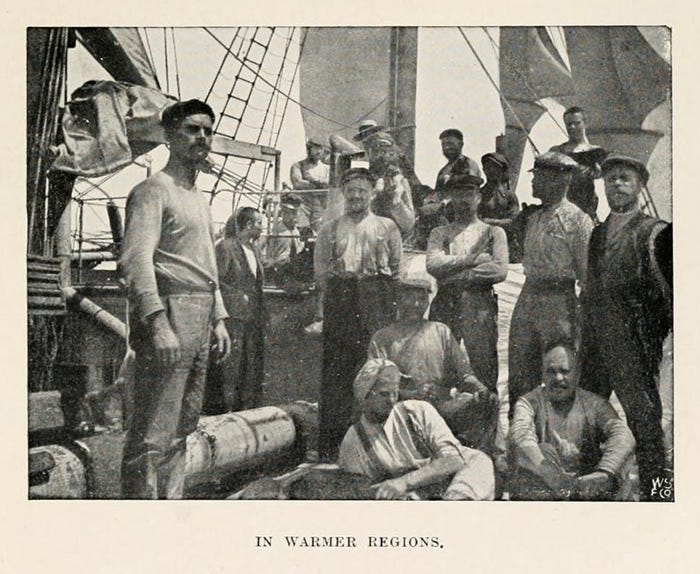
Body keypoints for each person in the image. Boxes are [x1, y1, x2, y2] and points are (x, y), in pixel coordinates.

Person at [120, 99, 231, 499]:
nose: (202, 137)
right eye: (191, 129)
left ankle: (170, 508)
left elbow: (205, 263)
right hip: (170, 311)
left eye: (206, 130)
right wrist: (157, 322)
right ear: (168, 136)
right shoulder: (152, 191)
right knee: (154, 429)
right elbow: (136, 262)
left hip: (201, 313)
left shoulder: (199, 198)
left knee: (183, 426)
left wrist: (218, 318)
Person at [579, 154, 672, 501]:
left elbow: (673, 299)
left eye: (624, 178)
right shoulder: (598, 233)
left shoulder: (657, 233)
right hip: (595, 345)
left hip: (634, 347)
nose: (616, 184)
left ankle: (658, 495)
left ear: (640, 185)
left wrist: (650, 337)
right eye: (610, 179)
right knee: (589, 421)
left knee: (646, 427)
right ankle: (592, 493)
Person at [314, 167, 403, 460]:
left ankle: (379, 446)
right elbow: (321, 274)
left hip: (376, 297)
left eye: (361, 191)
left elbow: (397, 271)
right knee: (337, 373)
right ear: (343, 193)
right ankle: (333, 446)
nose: (355, 196)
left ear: (372, 193)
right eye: (350, 190)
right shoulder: (330, 228)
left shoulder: (387, 227)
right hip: (341, 299)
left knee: (376, 367)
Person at [368, 277, 499, 453]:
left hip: (441, 407)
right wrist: (411, 394)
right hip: (405, 410)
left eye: (421, 299)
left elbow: (464, 374)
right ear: (397, 300)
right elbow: (375, 385)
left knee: (488, 402)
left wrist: (480, 388)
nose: (415, 304)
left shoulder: (440, 331)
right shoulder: (383, 337)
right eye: (409, 297)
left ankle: (482, 456)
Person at [507, 152, 593, 419]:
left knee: (559, 369)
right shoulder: (533, 217)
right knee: (520, 369)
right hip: (529, 295)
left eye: (540, 178)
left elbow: (586, 275)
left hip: (560, 301)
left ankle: (562, 433)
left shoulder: (579, 221)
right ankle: (522, 433)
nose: (533, 184)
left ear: (560, 180)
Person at [338, 358, 495, 500]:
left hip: (450, 484)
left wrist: (404, 482)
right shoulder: (353, 441)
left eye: (395, 393)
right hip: (410, 497)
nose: (392, 400)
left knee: (479, 460)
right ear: (364, 396)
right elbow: (359, 492)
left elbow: (453, 460)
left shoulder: (417, 411)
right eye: (384, 394)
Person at [509, 342, 635, 501]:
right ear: (542, 374)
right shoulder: (529, 402)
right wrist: (551, 475)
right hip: (547, 480)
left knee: (619, 476)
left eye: (564, 371)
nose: (558, 378)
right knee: (543, 451)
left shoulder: (593, 403)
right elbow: (520, 436)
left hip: (586, 482)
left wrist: (605, 472)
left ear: (578, 373)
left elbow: (622, 434)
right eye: (551, 372)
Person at [426, 174, 508, 394]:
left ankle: (487, 423)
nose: (463, 200)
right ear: (451, 198)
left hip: (479, 301)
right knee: (440, 364)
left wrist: (457, 273)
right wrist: (472, 260)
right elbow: (433, 264)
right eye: (458, 194)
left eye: (469, 194)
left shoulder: (493, 232)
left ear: (479, 197)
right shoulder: (440, 233)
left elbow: (499, 269)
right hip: (445, 301)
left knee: (483, 367)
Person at [204, 207, 265, 414]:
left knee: (247, 366)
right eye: (259, 224)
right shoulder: (226, 247)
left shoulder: (254, 250)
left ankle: (242, 410)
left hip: (250, 317)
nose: (261, 229)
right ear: (248, 225)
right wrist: (238, 297)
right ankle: (221, 410)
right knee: (229, 366)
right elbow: (214, 281)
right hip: (232, 317)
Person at [549, 106, 607, 221]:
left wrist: (599, 172)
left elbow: (605, 176)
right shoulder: (557, 151)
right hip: (561, 209)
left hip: (586, 209)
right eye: (568, 124)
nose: (572, 127)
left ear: (585, 123)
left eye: (577, 123)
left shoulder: (596, 152)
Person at [369, 134, 415, 236]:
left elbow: (409, 223)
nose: (381, 154)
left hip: (396, 232)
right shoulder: (369, 178)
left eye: (385, 151)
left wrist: (397, 198)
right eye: (378, 150)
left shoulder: (400, 181)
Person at [478, 152, 520, 258]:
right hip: (483, 246)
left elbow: (515, 222)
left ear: (501, 170)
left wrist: (491, 222)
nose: (491, 171)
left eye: (495, 167)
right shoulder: (478, 194)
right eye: (487, 167)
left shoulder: (510, 196)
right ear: (483, 170)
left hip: (507, 246)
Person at [290, 135, 330, 232]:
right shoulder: (298, 165)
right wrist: (320, 183)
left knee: (320, 232)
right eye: (316, 147)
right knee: (302, 231)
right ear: (309, 148)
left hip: (320, 205)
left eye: (321, 148)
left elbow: (330, 184)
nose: (319, 151)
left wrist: (312, 180)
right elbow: (297, 183)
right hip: (303, 204)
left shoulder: (327, 168)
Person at [263, 193, 305, 282]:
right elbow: (272, 258)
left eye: (293, 213)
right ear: (282, 212)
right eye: (286, 213)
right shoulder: (278, 232)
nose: (290, 217)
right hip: (280, 274)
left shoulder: (295, 231)